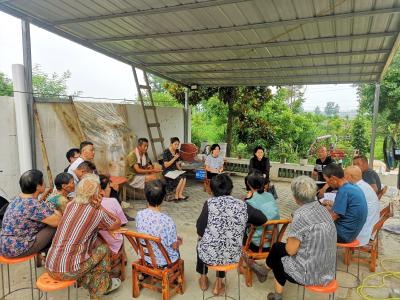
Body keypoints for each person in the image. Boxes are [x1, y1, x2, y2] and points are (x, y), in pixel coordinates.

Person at [255, 176, 337, 300]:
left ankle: (277, 295)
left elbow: (290, 251)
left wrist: (293, 230)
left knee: (279, 260)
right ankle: (264, 271)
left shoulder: (300, 215)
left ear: (295, 197)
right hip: (327, 271)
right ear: (314, 192)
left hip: (310, 275)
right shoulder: (324, 209)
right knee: (277, 247)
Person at [45, 174, 122, 300]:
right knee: (103, 249)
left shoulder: (70, 204)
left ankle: (91, 281)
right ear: (95, 194)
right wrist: (102, 207)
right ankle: (100, 288)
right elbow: (117, 223)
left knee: (92, 244)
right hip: (66, 271)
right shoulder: (97, 212)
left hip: (50, 265)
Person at [196, 174, 267, 295]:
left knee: (201, 241)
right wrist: (242, 221)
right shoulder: (242, 204)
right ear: (231, 188)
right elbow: (262, 219)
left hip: (208, 255)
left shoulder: (209, 203)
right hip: (232, 256)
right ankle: (218, 285)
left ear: (212, 190)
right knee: (226, 243)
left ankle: (203, 279)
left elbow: (200, 230)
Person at [0, 170, 61, 258]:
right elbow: (58, 221)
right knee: (54, 227)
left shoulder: (17, 198)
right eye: (43, 181)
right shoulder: (32, 204)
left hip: (4, 245)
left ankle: (47, 257)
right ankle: (53, 259)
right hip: (16, 249)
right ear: (38, 187)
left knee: (45, 222)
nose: (45, 183)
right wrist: (55, 207)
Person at [136, 180, 182, 267]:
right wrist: (179, 241)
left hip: (146, 258)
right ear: (163, 198)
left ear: (146, 196)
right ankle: (173, 274)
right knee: (177, 249)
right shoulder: (167, 221)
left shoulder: (139, 215)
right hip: (164, 262)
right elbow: (174, 246)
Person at [322, 163, 368, 243]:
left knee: (310, 230)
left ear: (333, 178)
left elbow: (333, 216)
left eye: (327, 181)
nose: (327, 184)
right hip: (352, 232)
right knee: (324, 212)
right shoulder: (353, 187)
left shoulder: (343, 191)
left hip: (343, 234)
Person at [98, 175, 128, 278]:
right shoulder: (112, 201)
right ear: (102, 190)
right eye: (109, 187)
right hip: (111, 240)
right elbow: (123, 221)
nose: (110, 189)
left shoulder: (88, 203)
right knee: (121, 233)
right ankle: (120, 263)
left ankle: (121, 260)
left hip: (97, 241)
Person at [344, 166, 379, 246]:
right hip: (370, 225)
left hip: (364, 229)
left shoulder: (357, 189)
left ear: (349, 176)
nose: (344, 178)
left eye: (344, 175)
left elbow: (345, 209)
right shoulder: (363, 185)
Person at [162, 137, 188, 201]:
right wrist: (174, 158)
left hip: (174, 170)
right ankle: (176, 196)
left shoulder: (177, 151)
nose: (177, 146)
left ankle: (180, 194)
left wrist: (181, 169)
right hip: (167, 171)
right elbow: (166, 165)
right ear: (171, 144)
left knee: (184, 176)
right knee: (180, 178)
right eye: (175, 144)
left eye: (178, 144)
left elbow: (176, 163)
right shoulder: (166, 151)